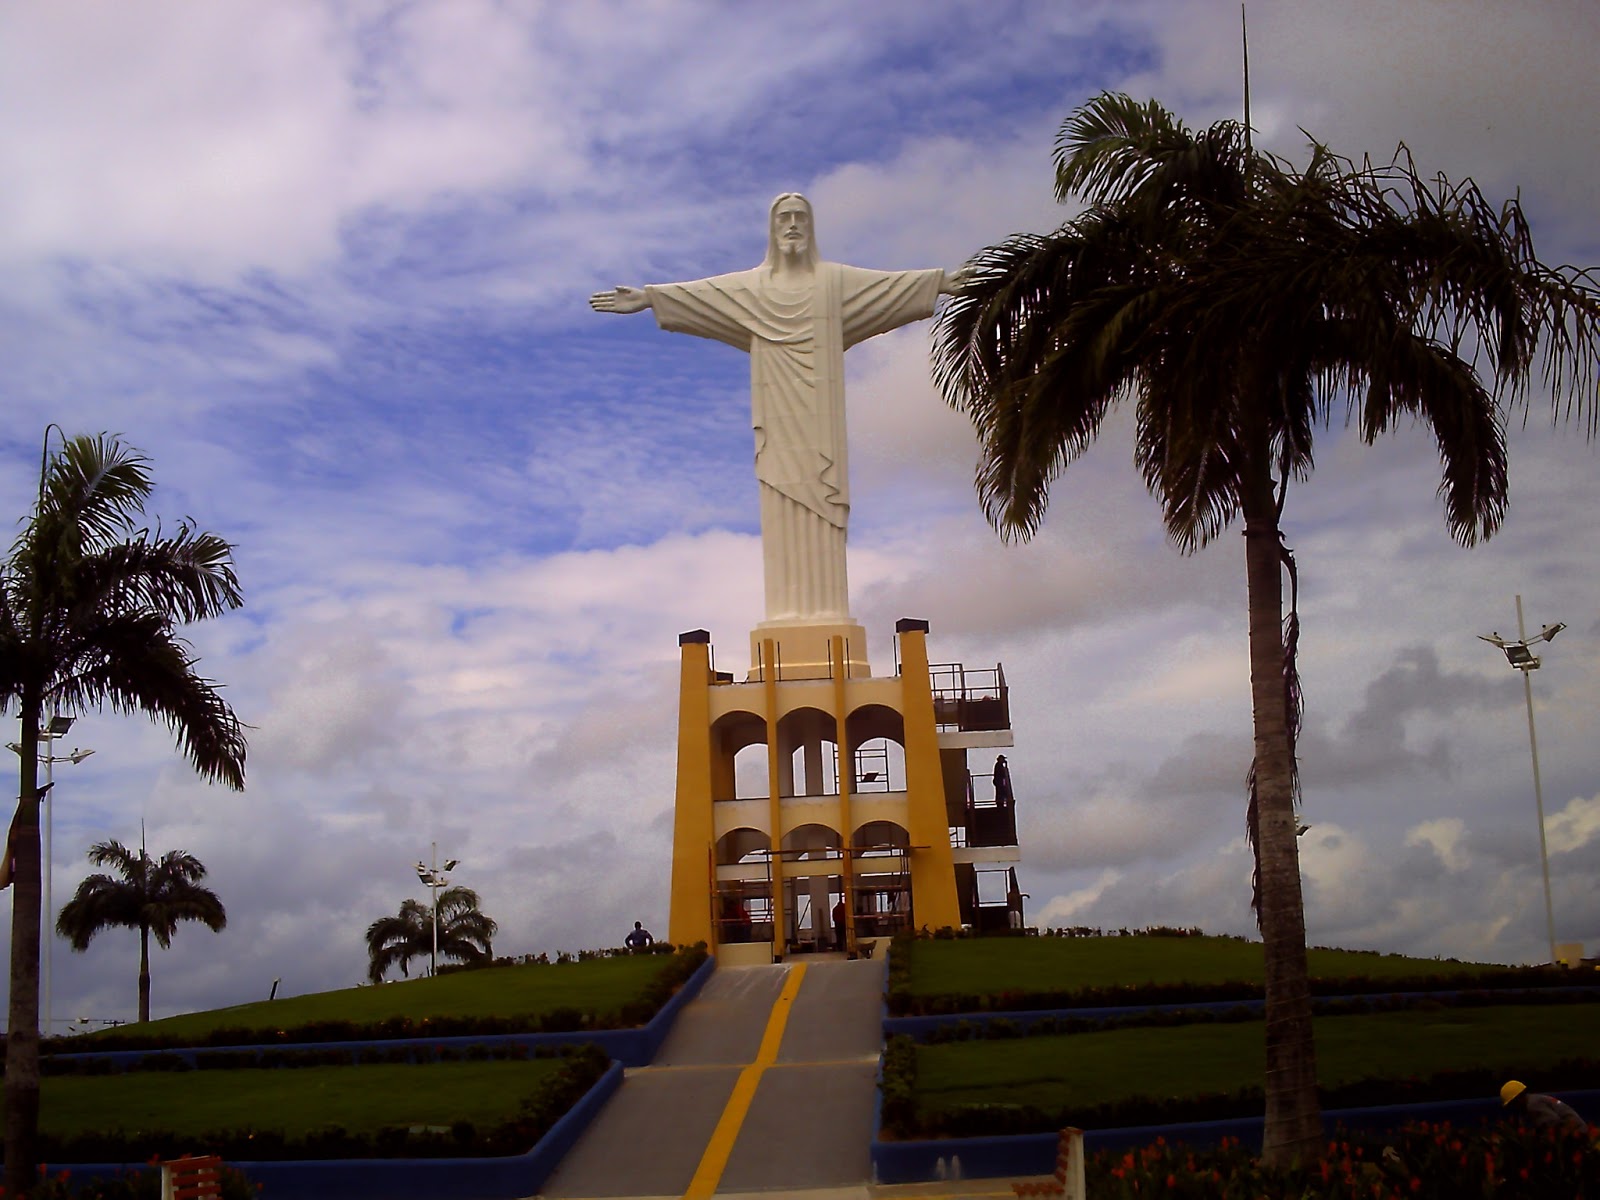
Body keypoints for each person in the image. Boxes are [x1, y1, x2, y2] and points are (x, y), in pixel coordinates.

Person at [591, 194, 963, 622]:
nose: (792, 225)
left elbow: (889, 287)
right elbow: (704, 296)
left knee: (824, 502)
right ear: (771, 228)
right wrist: (650, 298)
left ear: (811, 226)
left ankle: (829, 613)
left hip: (821, 423)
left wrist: (941, 282)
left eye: (800, 217)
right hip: (776, 418)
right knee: (780, 498)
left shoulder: (835, 282)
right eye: (783, 218)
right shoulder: (752, 288)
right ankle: (786, 611)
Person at [1500, 1080, 1588, 1132]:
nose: (1513, 1108)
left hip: (1577, 1132)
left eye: (1512, 1104)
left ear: (1518, 1099)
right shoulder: (1532, 1100)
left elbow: (1554, 1123)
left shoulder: (1533, 1105)